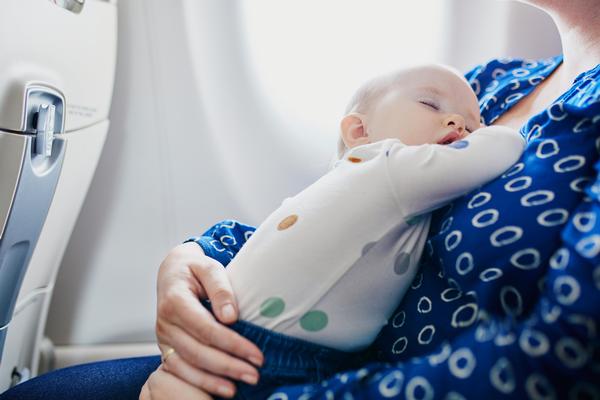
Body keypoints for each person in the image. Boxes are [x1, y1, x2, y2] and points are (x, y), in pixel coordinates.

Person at [0, 0, 597, 399]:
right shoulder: (489, 87)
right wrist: (198, 258)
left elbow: (560, 356)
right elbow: (332, 209)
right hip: (276, 345)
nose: (456, 127)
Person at [182, 65, 524, 399]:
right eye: (430, 105)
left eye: (473, 123)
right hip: (280, 355)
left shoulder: (347, 179)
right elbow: (500, 148)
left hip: (232, 327)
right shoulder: (391, 166)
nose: (459, 123)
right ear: (359, 132)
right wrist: (496, 131)